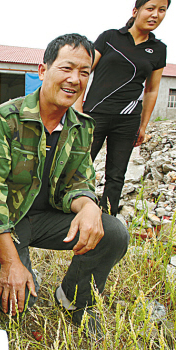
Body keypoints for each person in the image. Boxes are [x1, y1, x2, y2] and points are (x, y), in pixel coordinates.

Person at [0, 34, 130, 341]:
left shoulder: (81, 126)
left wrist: (88, 205)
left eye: (84, 72)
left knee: (113, 233)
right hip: (9, 224)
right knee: (16, 306)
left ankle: (73, 297)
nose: (75, 79)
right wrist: (10, 261)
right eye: (67, 68)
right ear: (43, 70)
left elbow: (81, 181)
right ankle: (18, 266)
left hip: (50, 221)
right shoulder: (8, 117)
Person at [75, 0, 170, 215]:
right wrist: (78, 110)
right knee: (78, 167)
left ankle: (106, 220)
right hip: (94, 115)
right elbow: (85, 71)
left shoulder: (158, 50)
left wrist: (143, 125)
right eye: (150, 8)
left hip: (127, 121)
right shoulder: (110, 37)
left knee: (116, 175)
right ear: (136, 11)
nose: (155, 14)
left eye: (162, 10)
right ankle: (68, 214)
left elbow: (152, 90)